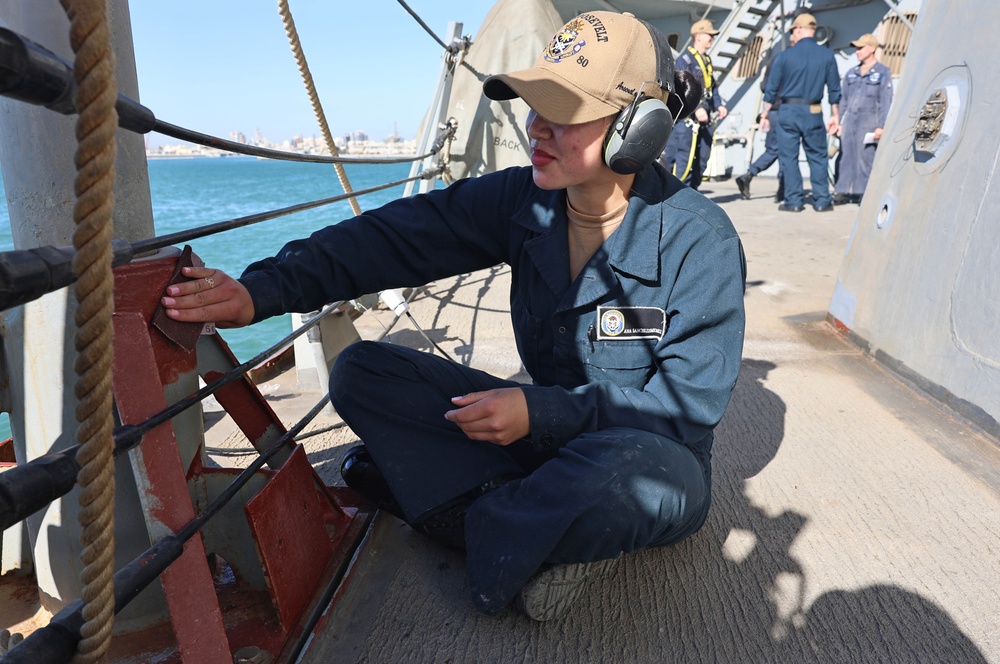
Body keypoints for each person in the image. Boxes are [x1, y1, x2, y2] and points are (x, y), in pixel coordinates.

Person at [161, 11, 746, 622]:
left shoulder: (699, 240)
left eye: (564, 112)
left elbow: (687, 408)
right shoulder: (525, 199)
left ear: (638, 127)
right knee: (364, 372)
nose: (536, 127)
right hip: (541, 436)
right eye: (532, 103)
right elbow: (394, 238)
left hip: (642, 450)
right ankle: (536, 535)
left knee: (636, 480)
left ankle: (467, 518)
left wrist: (539, 411)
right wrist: (261, 290)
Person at [760, 13, 841, 212]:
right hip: (814, 110)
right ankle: (822, 201)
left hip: (788, 111)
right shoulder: (827, 55)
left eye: (793, 31)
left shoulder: (784, 56)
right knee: (818, 156)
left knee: (789, 158)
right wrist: (835, 116)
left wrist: (764, 114)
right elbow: (834, 90)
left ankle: (794, 201)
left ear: (798, 29)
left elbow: (771, 90)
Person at [661, 19, 729, 190]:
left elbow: (711, 87)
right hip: (688, 121)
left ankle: (693, 193)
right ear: (698, 37)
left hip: (705, 121)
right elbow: (682, 88)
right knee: (683, 159)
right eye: (709, 35)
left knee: (702, 159)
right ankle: (677, 195)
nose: (712, 39)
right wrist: (697, 108)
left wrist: (718, 104)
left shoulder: (706, 61)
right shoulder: (685, 60)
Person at [735, 31, 798, 202]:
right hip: (786, 110)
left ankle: (755, 177)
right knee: (782, 150)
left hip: (773, 111)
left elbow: (764, 86)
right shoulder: (794, 61)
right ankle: (779, 188)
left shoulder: (775, 59)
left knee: (775, 149)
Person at [833, 33, 893, 204]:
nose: (857, 52)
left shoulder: (882, 73)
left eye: (861, 48)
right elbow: (843, 99)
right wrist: (837, 120)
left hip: (869, 120)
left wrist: (881, 126)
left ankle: (862, 192)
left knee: (865, 157)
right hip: (850, 119)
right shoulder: (851, 73)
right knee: (846, 155)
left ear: (872, 48)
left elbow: (885, 101)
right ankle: (842, 190)